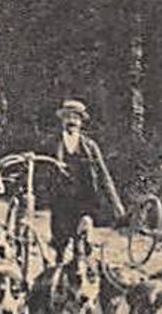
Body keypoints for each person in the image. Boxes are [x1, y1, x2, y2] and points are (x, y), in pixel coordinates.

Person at [40, 100, 125, 262]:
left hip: (84, 201)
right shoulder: (52, 144)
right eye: (68, 117)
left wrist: (116, 203)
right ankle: (59, 273)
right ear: (62, 120)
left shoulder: (90, 147)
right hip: (61, 202)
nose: (72, 121)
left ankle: (80, 273)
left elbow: (103, 175)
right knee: (60, 242)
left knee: (82, 242)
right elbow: (41, 170)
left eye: (76, 118)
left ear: (81, 122)